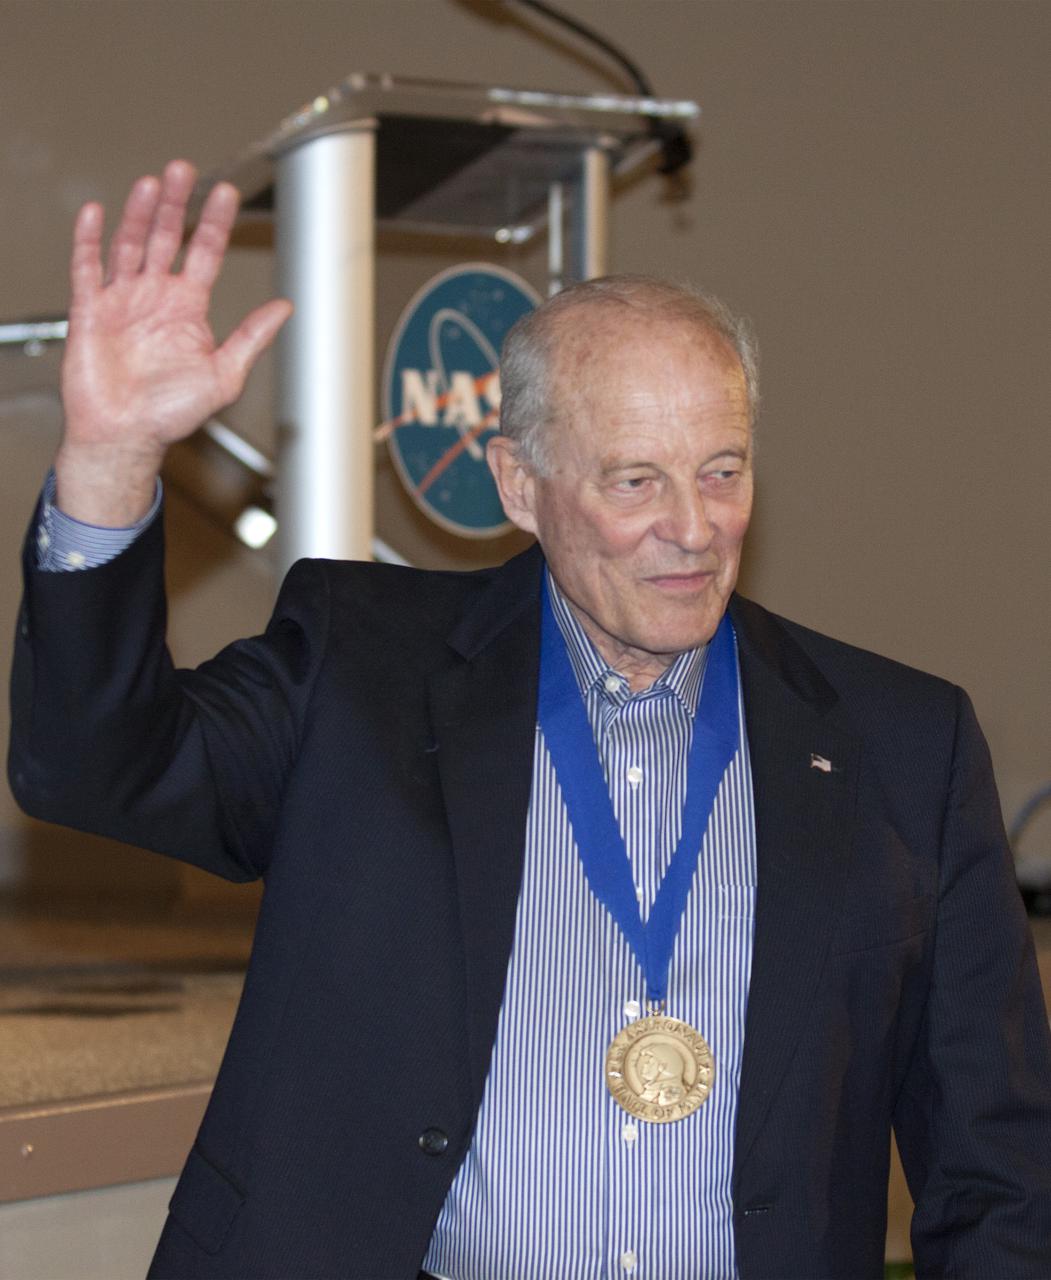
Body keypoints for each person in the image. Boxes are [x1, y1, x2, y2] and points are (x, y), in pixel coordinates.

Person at [9, 160, 1051, 1280]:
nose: (693, 528)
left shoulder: (904, 742)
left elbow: (995, 1167)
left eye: (722, 469)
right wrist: (112, 459)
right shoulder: (361, 667)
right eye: (635, 481)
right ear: (518, 485)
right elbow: (94, 765)